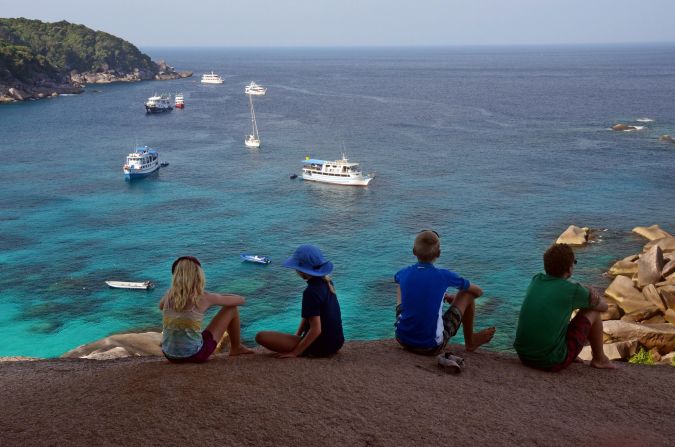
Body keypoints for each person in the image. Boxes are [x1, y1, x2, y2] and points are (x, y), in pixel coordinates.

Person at [514, 243, 616, 371]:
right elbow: (604, 307)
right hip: (550, 361)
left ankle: (570, 352)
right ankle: (599, 359)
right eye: (574, 263)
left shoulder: (536, 280)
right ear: (569, 269)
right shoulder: (573, 291)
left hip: (523, 355)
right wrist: (589, 289)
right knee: (592, 310)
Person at [395, 230, 496, 356]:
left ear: (414, 251)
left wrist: (440, 295)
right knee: (466, 294)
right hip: (430, 346)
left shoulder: (403, 272)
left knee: (400, 285)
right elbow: (478, 292)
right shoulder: (444, 275)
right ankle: (470, 342)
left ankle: (406, 327)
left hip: (402, 339)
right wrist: (455, 297)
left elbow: (410, 283)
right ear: (439, 253)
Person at [255, 245, 344, 358]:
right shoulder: (328, 282)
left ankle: (303, 348)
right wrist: (297, 336)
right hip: (337, 343)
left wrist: (295, 352)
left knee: (260, 336)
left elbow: (316, 329)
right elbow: (310, 315)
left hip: (320, 346)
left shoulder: (310, 292)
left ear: (301, 270)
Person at [160, 255, 253, 363]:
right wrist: (217, 296)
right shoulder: (205, 297)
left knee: (195, 332)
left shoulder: (169, 295)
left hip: (169, 355)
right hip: (194, 355)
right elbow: (241, 300)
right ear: (198, 275)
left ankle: (236, 347)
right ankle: (236, 347)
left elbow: (161, 306)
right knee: (231, 309)